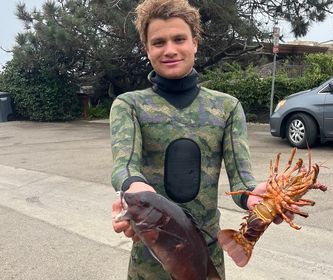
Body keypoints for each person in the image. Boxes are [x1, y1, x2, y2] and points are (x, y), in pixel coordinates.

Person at [110, 0, 291, 279]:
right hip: (149, 260)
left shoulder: (226, 107)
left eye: (179, 39)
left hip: (205, 255)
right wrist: (137, 192)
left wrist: (255, 198)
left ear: (195, 42)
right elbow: (124, 166)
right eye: (158, 42)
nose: (170, 50)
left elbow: (242, 183)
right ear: (147, 49)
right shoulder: (129, 105)